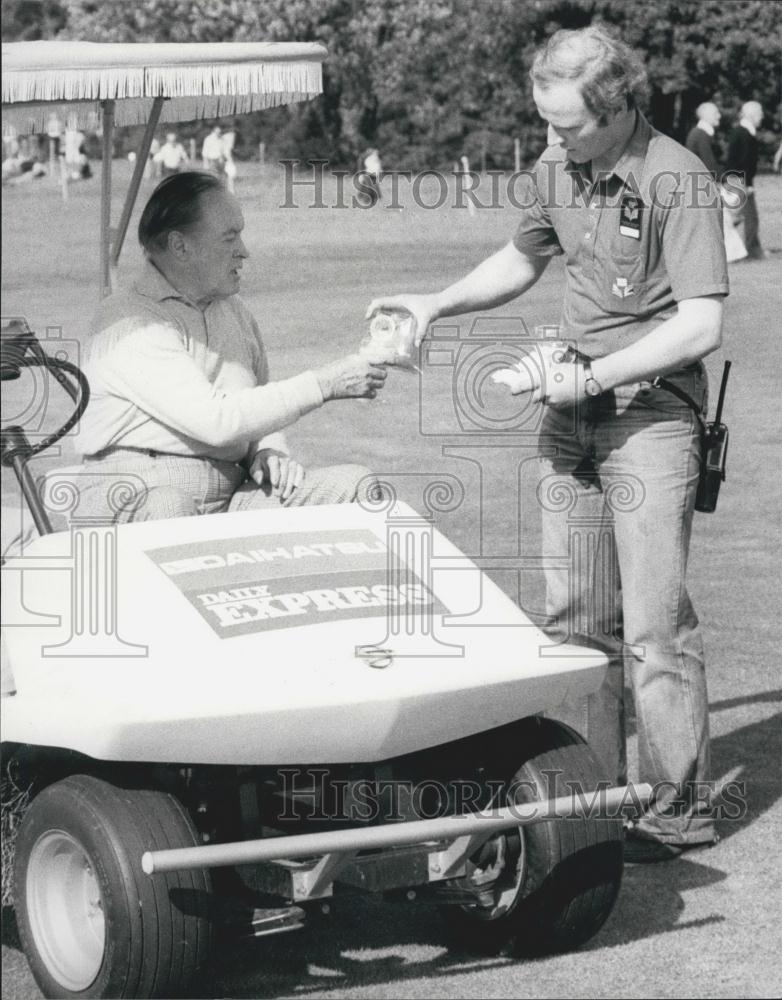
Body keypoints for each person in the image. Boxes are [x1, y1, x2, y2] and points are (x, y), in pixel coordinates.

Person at [368, 25, 728, 863]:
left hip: (653, 421)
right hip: (570, 416)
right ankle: (592, 799)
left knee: (653, 628)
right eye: (545, 123)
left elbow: (700, 323)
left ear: (616, 109)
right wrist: (434, 302)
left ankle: (677, 807)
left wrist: (596, 377)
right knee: (574, 621)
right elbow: (521, 258)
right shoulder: (554, 168)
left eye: (565, 126)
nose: (551, 141)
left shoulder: (679, 176)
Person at [73, 171, 387, 523]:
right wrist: (325, 383)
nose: (245, 252)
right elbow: (216, 421)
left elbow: (258, 407)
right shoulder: (127, 319)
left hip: (229, 493)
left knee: (354, 487)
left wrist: (269, 449)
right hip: (137, 491)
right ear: (180, 246)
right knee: (171, 507)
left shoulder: (234, 312)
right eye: (230, 238)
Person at [725, 101, 765, 260]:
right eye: (760, 113)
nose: (762, 117)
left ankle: (750, 248)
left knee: (742, 216)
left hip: (738, 179)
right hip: (739, 180)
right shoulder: (744, 133)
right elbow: (744, 161)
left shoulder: (744, 132)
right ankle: (752, 251)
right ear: (752, 114)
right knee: (749, 216)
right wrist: (747, 184)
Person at [685, 101, 721, 179]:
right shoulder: (701, 135)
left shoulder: (702, 132)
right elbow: (709, 164)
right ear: (706, 116)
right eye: (716, 113)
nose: (719, 116)